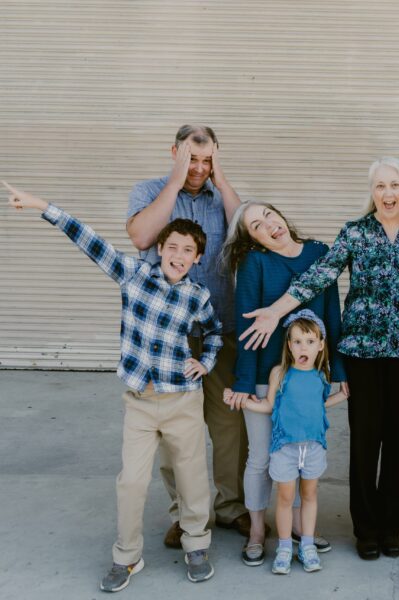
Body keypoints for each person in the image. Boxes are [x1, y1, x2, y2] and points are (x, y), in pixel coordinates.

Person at [238, 157, 399, 561]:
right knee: (365, 439)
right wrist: (276, 309)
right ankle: (365, 529)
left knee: (398, 441)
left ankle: (391, 527)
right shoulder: (355, 233)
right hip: (361, 351)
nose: (388, 194)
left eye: (394, 185)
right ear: (371, 192)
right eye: (380, 187)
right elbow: (319, 275)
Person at [4, 182, 220, 590]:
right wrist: (40, 205)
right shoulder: (134, 275)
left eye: (187, 251)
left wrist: (205, 362)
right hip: (140, 400)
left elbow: (215, 332)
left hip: (182, 400)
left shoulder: (197, 295)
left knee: (191, 476)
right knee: (132, 481)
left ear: (198, 258)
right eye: (171, 247)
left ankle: (196, 544)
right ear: (160, 248)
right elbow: (87, 239)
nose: (178, 255)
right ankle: (127, 556)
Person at [126, 125, 250, 545]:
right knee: (173, 432)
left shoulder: (223, 197)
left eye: (206, 159)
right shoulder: (149, 191)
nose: (198, 168)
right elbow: (142, 236)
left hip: (221, 328)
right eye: (191, 159)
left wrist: (223, 179)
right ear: (174, 152)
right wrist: (176, 181)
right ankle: (183, 513)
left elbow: (249, 233)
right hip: (168, 338)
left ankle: (231, 507)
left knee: (229, 425)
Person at [220, 200, 346, 565]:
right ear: (253, 240)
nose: (269, 225)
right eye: (257, 226)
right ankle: (258, 530)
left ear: (281, 215)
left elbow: (332, 316)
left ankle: (297, 530)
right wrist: (244, 381)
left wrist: (337, 373)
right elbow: (246, 328)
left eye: (269, 215)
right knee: (261, 457)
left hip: (307, 380)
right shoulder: (255, 263)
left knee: (303, 456)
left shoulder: (320, 254)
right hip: (263, 377)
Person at [225, 310, 347, 574]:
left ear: (321, 345)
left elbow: (319, 405)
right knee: (284, 496)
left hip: (313, 448)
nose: (304, 347)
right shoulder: (280, 374)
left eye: (310, 341)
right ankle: (283, 546)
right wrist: (242, 400)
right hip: (285, 449)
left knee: (309, 495)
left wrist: (343, 396)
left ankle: (306, 544)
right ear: (289, 345)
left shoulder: (320, 375)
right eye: (298, 341)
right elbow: (269, 405)